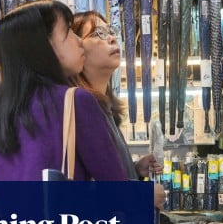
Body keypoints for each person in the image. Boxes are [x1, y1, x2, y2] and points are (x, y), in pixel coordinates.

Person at [0, 1, 148, 224]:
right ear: (43, 48)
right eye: (67, 34)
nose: (77, 41)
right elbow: (119, 193)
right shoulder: (75, 101)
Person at [68, 11, 164, 187]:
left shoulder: (104, 107)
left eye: (111, 31)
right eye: (98, 34)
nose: (112, 39)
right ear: (76, 48)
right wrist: (145, 197)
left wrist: (134, 169)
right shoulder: (82, 106)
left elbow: (103, 174)